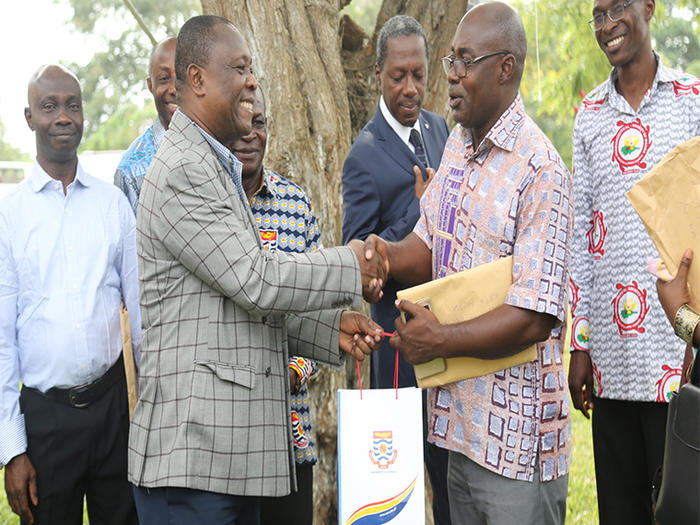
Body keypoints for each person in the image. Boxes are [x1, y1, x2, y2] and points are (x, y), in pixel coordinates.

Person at [127, 15, 386, 524]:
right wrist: (353, 263)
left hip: (225, 462)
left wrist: (329, 329)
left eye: (252, 69)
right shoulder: (184, 170)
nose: (252, 81)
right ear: (197, 79)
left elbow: (231, 307)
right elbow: (257, 281)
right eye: (240, 68)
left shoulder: (212, 166)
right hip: (193, 463)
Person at [364, 3, 573, 524]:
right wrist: (381, 256)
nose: (452, 76)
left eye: (464, 61)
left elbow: (534, 317)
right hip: (458, 431)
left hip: (518, 453)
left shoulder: (541, 170)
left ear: (505, 67)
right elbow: (428, 243)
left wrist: (440, 342)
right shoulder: (457, 145)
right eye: (450, 62)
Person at [568, 0, 700, 522]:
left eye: (618, 7)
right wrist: (580, 346)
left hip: (679, 357)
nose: (607, 24)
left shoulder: (692, 101)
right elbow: (581, 236)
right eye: (598, 15)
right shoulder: (588, 116)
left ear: (649, 7)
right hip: (613, 364)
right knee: (621, 512)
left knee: (682, 509)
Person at [0, 64, 141, 525]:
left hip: (113, 410)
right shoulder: (10, 218)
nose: (63, 116)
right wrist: (13, 450)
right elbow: (1, 342)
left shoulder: (112, 206)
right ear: (29, 118)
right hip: (47, 420)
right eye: (50, 106)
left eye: (72, 105)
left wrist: (150, 408)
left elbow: (141, 317)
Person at [341, 15, 451, 523]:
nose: (410, 88)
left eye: (418, 75)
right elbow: (359, 268)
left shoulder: (440, 128)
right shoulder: (363, 157)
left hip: (453, 334)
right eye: (397, 76)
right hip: (400, 350)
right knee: (402, 491)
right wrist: (421, 214)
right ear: (378, 74)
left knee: (452, 482)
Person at [229, 91, 321, 523]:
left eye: (259, 123)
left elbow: (321, 316)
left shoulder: (295, 206)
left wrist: (290, 372)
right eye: (240, 125)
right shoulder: (207, 206)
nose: (250, 135)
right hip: (222, 441)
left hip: (290, 432)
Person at [114, 37, 177, 215]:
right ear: (151, 85)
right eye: (164, 79)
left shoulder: (220, 148)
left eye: (182, 77)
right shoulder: (132, 170)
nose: (174, 89)